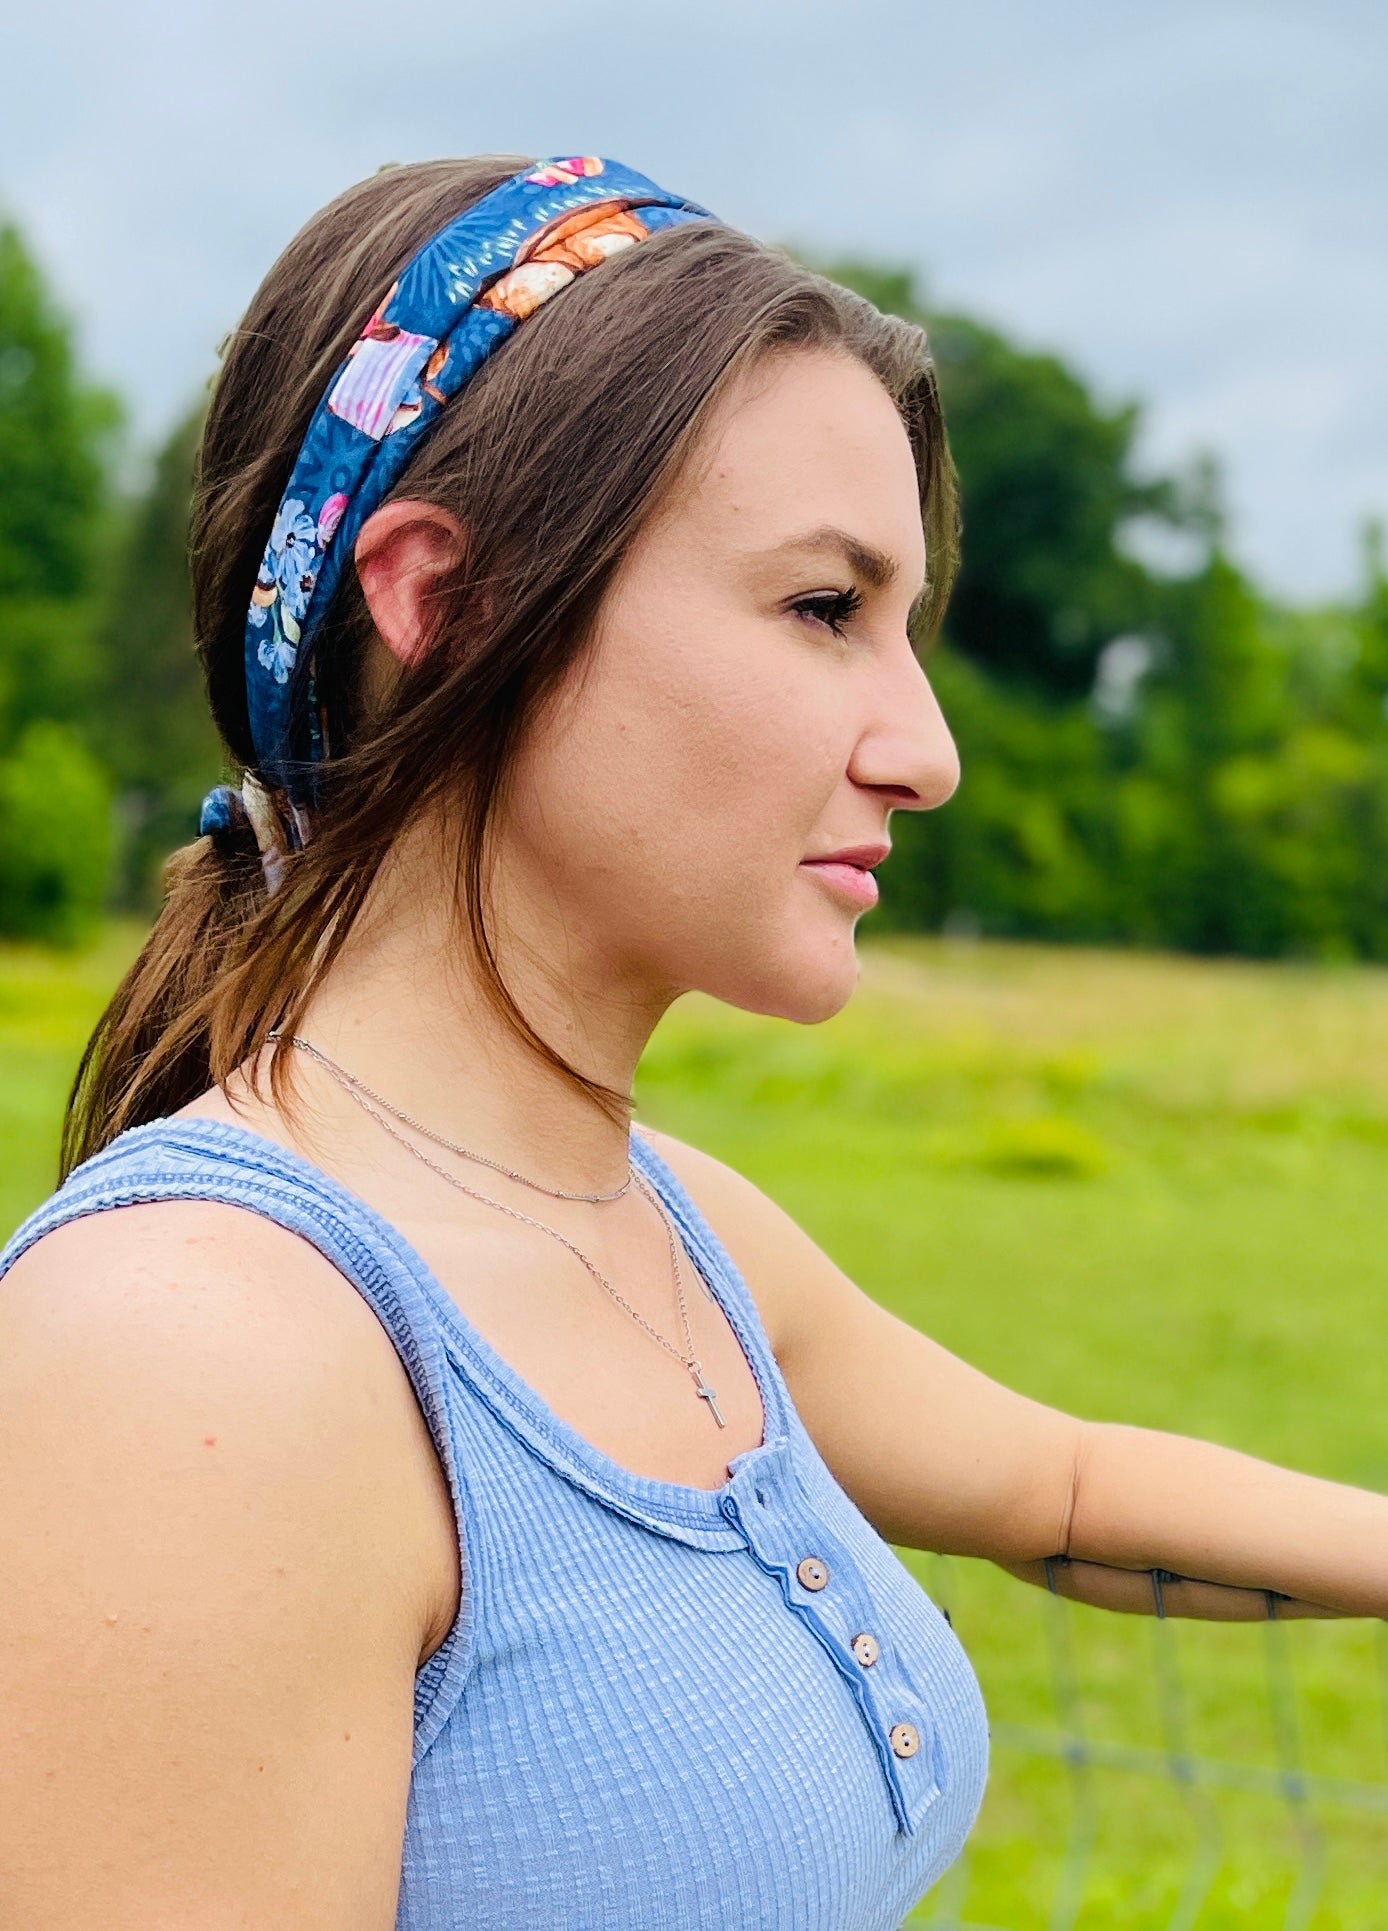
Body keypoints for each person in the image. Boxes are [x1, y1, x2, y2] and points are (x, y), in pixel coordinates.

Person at [0, 153, 1383, 1931]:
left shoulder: (672, 1232)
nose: (928, 749)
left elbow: (1068, 1487)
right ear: (446, 604)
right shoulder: (194, 1349)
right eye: (824, 610)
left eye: (908, 630)